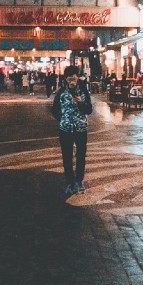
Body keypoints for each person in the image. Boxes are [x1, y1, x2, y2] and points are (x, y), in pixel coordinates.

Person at [49, 67, 94, 195]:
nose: (72, 80)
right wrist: (62, 119)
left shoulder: (84, 91)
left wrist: (81, 103)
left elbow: (89, 110)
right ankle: (70, 182)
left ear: (77, 77)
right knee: (67, 156)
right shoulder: (61, 92)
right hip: (65, 129)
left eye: (74, 77)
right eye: (69, 78)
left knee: (81, 155)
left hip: (81, 129)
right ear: (66, 79)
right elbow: (54, 109)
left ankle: (79, 181)